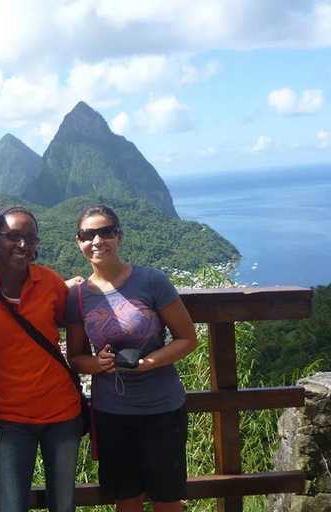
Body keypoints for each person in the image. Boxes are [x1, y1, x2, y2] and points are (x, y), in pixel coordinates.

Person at [65, 204, 198, 512]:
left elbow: (187, 338)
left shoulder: (151, 281)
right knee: (126, 500)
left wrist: (150, 362)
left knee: (166, 499)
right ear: (79, 241)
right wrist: (97, 364)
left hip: (162, 409)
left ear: (119, 237)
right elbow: (76, 357)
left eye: (106, 232)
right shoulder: (78, 296)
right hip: (112, 413)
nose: (98, 241)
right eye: (88, 235)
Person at [0, 206, 83, 512]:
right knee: (11, 505)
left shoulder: (49, 281)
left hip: (64, 412)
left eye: (30, 238)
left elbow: (72, 317)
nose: (22, 244)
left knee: (63, 504)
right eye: (13, 236)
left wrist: (76, 286)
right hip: (14, 417)